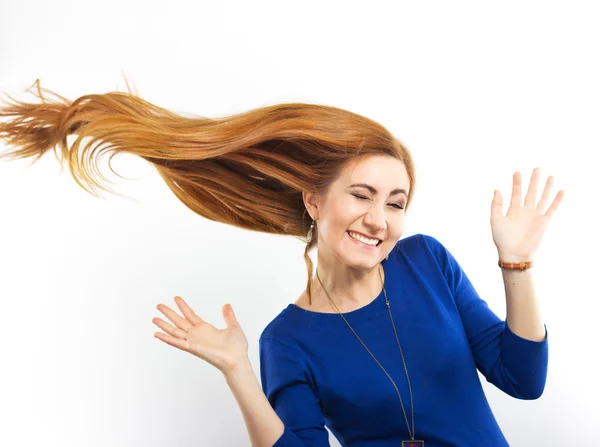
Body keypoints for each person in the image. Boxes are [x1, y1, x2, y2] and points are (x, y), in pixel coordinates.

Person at [0, 80, 558, 447]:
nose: (378, 219)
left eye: (396, 202)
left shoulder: (426, 261)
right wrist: (237, 370)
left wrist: (516, 264)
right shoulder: (287, 341)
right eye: (361, 195)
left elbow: (522, 378)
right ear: (315, 202)